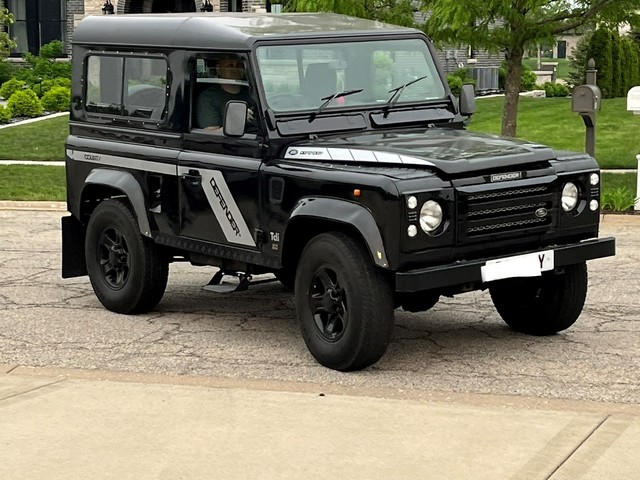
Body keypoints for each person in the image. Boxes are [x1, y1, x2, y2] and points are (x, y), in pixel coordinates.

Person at [195, 55, 256, 131]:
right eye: (230, 65)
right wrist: (237, 121)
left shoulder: (252, 92)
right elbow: (211, 134)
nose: (235, 69)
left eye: (239, 65)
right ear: (218, 68)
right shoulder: (208, 97)